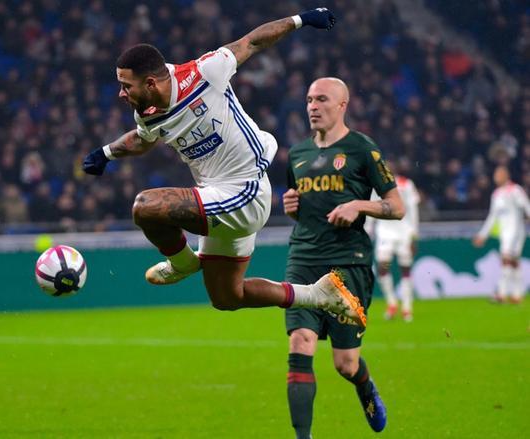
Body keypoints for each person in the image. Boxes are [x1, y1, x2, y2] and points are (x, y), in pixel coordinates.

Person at [82, 8, 366, 325]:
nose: (121, 93)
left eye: (126, 86)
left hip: (246, 191)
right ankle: (317, 295)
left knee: (145, 207)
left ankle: (183, 263)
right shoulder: (146, 111)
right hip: (217, 197)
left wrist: (301, 19)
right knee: (227, 297)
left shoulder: (205, 72)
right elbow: (145, 139)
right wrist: (106, 153)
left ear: (150, 82)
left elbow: (252, 42)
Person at [282, 77, 406, 437]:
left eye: (321, 99)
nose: (312, 106)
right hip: (303, 259)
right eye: (308, 99)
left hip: (347, 262)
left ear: (342, 105)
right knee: (300, 341)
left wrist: (358, 205)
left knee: (345, 364)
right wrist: (291, 208)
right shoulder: (298, 154)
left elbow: (396, 207)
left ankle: (365, 385)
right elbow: (303, 206)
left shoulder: (362, 149)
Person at [365, 162, 420, 321]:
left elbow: (413, 210)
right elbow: (371, 208)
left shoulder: (406, 184)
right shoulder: (377, 187)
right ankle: (392, 302)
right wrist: (368, 230)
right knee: (383, 266)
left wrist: (414, 235)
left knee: (405, 269)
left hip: (404, 233)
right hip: (385, 234)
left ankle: (407, 307)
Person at [473, 166, 530, 304]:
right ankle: (517, 294)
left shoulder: (515, 190)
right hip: (505, 232)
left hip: (516, 231)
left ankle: (501, 293)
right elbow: (492, 216)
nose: (496, 177)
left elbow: (526, 205)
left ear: (505, 175)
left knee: (506, 259)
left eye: (498, 174)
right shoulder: (497, 194)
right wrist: (482, 235)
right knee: (514, 261)